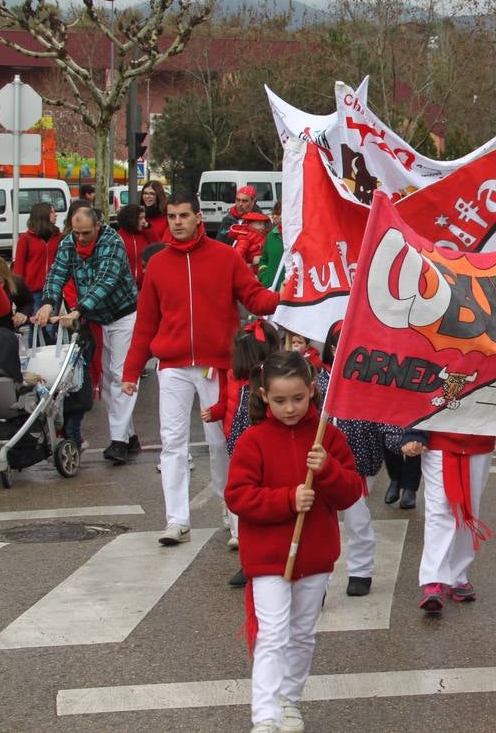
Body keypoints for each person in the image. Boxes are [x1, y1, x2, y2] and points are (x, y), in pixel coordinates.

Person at [122, 192, 280, 546]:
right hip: (173, 365)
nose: (177, 221)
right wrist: (132, 372)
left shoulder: (225, 257)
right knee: (173, 443)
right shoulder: (159, 265)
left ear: (198, 218)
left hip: (219, 364)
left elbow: (253, 296)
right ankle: (177, 520)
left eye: (183, 215)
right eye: (172, 216)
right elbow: (146, 323)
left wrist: (284, 295)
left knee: (223, 441)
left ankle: (235, 513)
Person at [224, 350, 364, 733]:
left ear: (313, 392)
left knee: (302, 635)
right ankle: (265, 716)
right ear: (265, 397)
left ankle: (289, 702)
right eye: (281, 400)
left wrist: (328, 470)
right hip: (269, 558)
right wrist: (288, 499)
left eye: (298, 399)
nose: (290, 408)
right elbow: (237, 495)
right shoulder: (253, 440)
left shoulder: (328, 438)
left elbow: (350, 492)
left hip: (315, 555)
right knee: (272, 635)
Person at [34, 202, 141, 466]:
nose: (80, 238)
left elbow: (107, 279)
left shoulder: (112, 242)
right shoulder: (69, 242)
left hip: (123, 315)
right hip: (95, 318)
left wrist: (79, 309)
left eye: (86, 233)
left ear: (98, 226)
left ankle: (118, 442)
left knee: (120, 374)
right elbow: (57, 273)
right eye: (76, 232)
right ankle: (130, 436)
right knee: (105, 380)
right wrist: (48, 301)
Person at [206, 319, 282, 584]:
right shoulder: (235, 379)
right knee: (242, 503)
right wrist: (216, 414)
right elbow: (228, 404)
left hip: (266, 452)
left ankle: (271, 559)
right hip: (239, 448)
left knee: (267, 506)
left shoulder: (272, 385)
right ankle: (249, 561)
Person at [316, 324, 386, 598]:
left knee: (357, 519)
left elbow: (384, 414)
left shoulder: (368, 379)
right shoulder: (317, 382)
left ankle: (360, 570)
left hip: (358, 462)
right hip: (321, 464)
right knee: (321, 524)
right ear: (333, 348)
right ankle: (319, 580)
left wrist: (398, 439)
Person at [399, 419, 488, 617]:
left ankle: (458, 575)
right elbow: (421, 391)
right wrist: (414, 432)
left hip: (480, 434)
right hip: (438, 435)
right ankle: (433, 578)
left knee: (468, 510)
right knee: (438, 510)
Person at [13, 202, 61, 321]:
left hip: (54, 288)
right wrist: (18, 289)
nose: (56, 215)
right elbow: (19, 266)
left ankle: (51, 341)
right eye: (52, 212)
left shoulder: (59, 237)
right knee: (35, 325)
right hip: (33, 290)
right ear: (43, 214)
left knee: (51, 325)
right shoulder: (26, 238)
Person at [115, 204, 149, 288]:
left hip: (144, 287)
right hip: (125, 289)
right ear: (131, 219)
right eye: (141, 218)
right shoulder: (117, 238)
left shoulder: (145, 235)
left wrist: (150, 228)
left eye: (144, 218)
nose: (144, 221)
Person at [258, 203, 285, 288]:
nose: (275, 216)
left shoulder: (300, 237)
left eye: (279, 213)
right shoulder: (271, 235)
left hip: (294, 294)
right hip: (271, 290)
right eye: (274, 213)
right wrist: (264, 275)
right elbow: (264, 260)